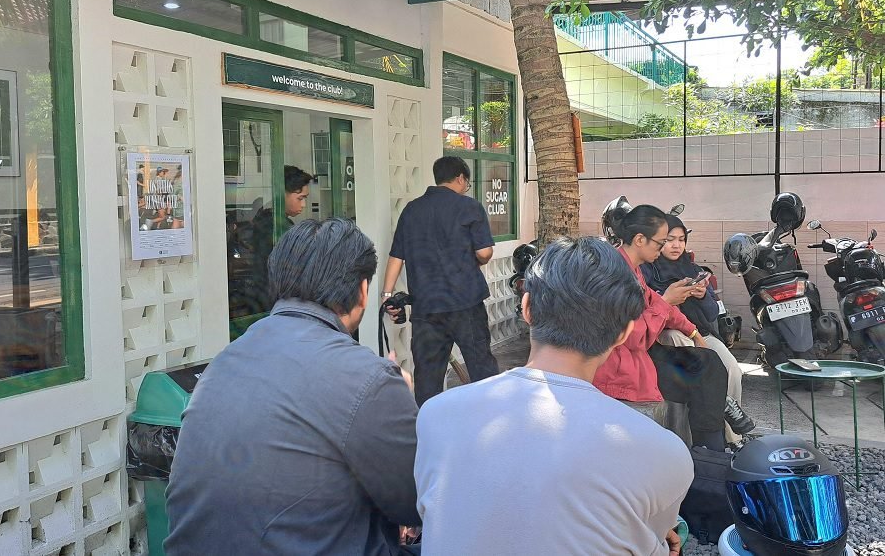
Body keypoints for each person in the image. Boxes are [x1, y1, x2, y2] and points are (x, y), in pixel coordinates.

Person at [414, 236, 693, 556]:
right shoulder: (664, 453)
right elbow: (651, 529)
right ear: (624, 334)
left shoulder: (436, 415)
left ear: (527, 308)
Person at [166, 218, 420, 555]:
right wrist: (404, 396)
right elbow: (416, 502)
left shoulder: (225, 361)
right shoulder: (368, 378)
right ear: (362, 290)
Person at [593, 204, 733, 451]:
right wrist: (667, 301)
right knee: (704, 373)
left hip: (639, 354)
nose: (664, 249)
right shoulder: (614, 274)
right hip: (621, 368)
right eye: (661, 243)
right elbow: (632, 337)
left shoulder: (632, 268)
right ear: (640, 240)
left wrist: (693, 331)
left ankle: (711, 448)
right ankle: (710, 451)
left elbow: (655, 303)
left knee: (709, 362)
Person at [381, 156, 499, 406]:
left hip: (426, 308)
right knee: (481, 369)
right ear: (460, 178)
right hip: (466, 303)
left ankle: (427, 424)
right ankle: (489, 419)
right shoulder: (470, 207)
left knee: (427, 378)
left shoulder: (412, 210)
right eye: (467, 183)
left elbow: (396, 256)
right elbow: (484, 252)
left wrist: (387, 295)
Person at [643, 214, 749, 446]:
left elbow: (712, 314)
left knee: (732, 369)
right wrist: (666, 298)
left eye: (681, 240)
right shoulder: (648, 270)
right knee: (681, 344)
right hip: (667, 334)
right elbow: (645, 309)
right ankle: (709, 418)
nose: (676, 245)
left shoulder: (692, 269)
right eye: (669, 239)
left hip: (700, 332)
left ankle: (732, 437)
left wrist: (702, 296)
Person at [248, 165, 314, 314]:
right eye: (300, 198)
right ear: (283, 194)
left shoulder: (264, 217)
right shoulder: (278, 226)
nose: (303, 205)